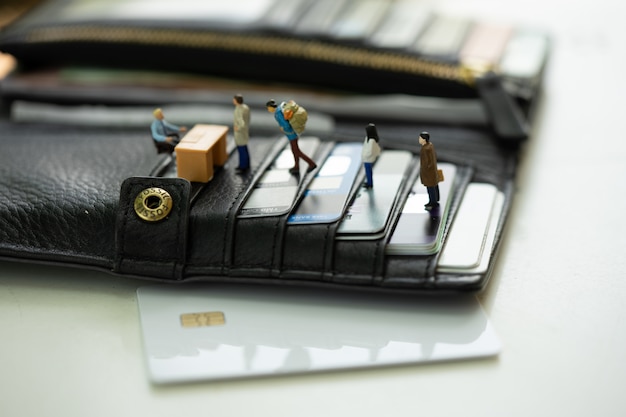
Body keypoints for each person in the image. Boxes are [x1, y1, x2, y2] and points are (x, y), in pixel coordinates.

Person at [265, 99, 316, 174]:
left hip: (291, 133)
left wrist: (282, 127)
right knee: (295, 151)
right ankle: (296, 166)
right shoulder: (281, 108)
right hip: (292, 132)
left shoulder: (278, 113)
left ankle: (311, 164)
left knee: (296, 151)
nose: (268, 110)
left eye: (268, 108)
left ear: (271, 107)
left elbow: (286, 125)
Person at [418, 131, 440, 210]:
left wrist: (425, 169)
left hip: (428, 171)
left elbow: (427, 161)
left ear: (424, 139)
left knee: (430, 187)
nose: (419, 140)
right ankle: (436, 199)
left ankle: (433, 202)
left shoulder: (426, 149)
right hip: (431, 171)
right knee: (434, 185)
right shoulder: (430, 146)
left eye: (420, 138)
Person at [232, 94, 251, 171]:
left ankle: (243, 166)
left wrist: (238, 128)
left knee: (241, 149)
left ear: (236, 101)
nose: (233, 101)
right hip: (245, 131)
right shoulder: (245, 107)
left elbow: (241, 123)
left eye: (234, 99)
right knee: (245, 148)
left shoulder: (238, 110)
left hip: (240, 133)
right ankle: (247, 164)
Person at [362, 123, 381, 188]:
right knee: (367, 171)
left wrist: (365, 155)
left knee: (369, 171)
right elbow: (365, 147)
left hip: (368, 158)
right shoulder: (367, 138)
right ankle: (369, 182)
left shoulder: (372, 140)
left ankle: (370, 183)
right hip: (365, 158)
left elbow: (370, 151)